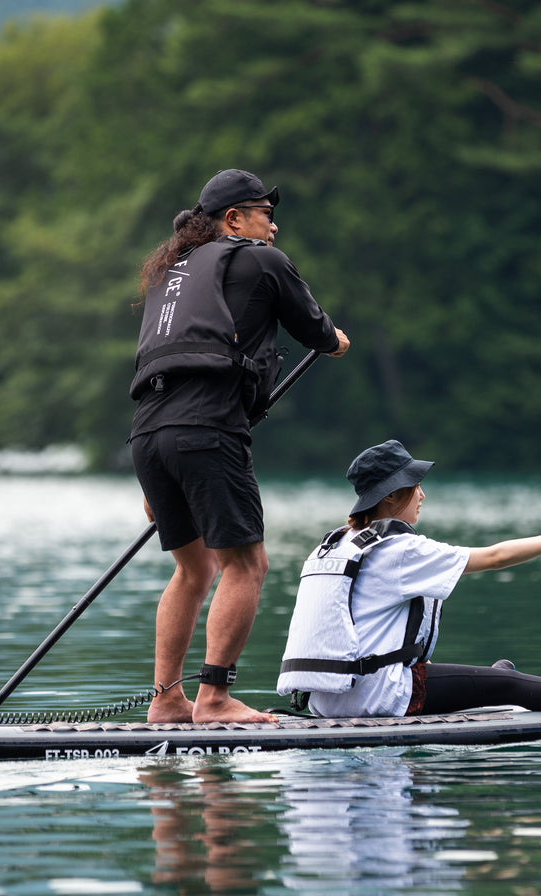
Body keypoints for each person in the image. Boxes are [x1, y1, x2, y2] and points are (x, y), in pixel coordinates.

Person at [130, 168, 349, 724]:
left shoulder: (167, 275)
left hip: (148, 436)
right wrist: (336, 341)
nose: (273, 229)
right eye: (265, 215)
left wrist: (158, 475)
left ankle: (167, 701)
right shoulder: (261, 261)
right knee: (246, 563)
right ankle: (214, 698)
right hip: (206, 431)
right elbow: (317, 330)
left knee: (192, 569)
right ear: (234, 220)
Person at [278, 440, 541, 736]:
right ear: (393, 495)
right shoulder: (399, 548)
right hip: (375, 698)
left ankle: (490, 680)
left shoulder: (334, 544)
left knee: (490, 675)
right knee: (506, 683)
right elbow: (497, 556)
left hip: (325, 699)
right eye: (416, 485)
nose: (422, 494)